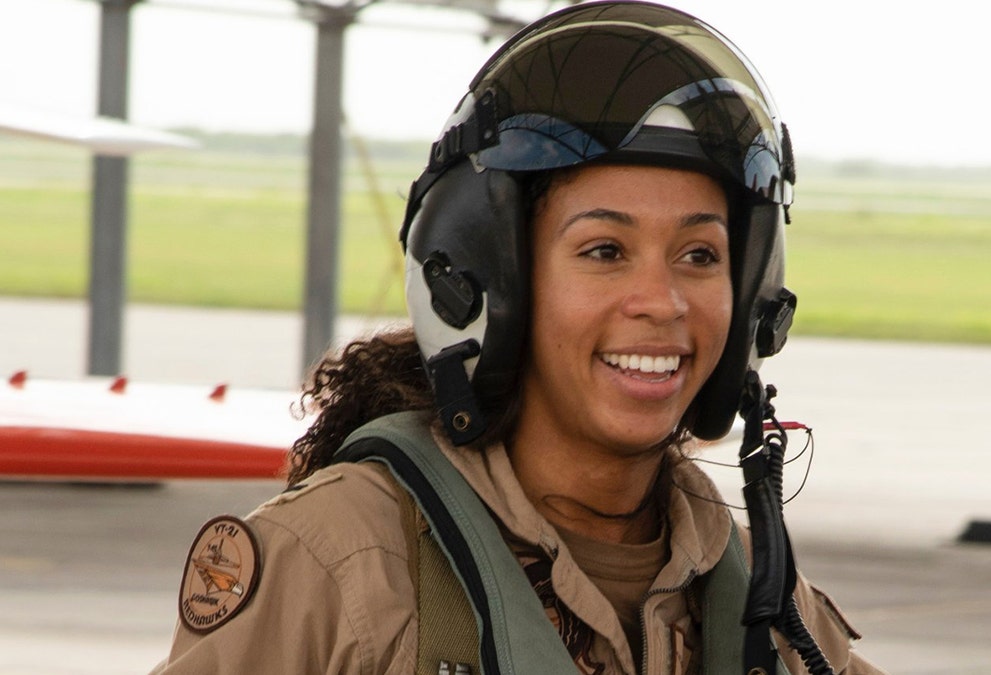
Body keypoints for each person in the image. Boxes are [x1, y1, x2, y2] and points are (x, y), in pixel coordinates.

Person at [152, 2, 885, 673]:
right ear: (489, 277)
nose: (661, 303)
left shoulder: (771, 612)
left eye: (700, 256)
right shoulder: (341, 565)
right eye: (604, 250)